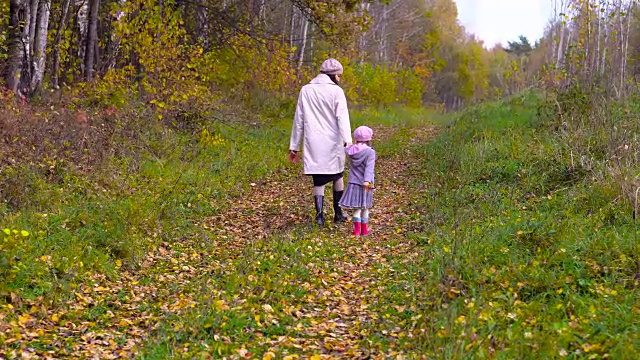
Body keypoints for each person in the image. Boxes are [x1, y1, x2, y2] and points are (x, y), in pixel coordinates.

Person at [289, 58, 353, 226]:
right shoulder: (337, 92)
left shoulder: (306, 90)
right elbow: (343, 117)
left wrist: (294, 146)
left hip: (314, 141)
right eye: (339, 76)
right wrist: (348, 140)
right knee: (337, 174)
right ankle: (338, 214)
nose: (339, 79)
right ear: (333, 75)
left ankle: (319, 216)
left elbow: (298, 119)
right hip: (333, 141)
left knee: (318, 178)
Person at [339, 126, 376, 236]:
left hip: (353, 182)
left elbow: (346, 148)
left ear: (356, 138)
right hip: (366, 184)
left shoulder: (351, 151)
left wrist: (346, 144)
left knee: (357, 208)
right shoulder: (370, 152)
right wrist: (367, 180)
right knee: (365, 207)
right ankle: (364, 230)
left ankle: (356, 231)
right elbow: (369, 168)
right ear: (369, 139)